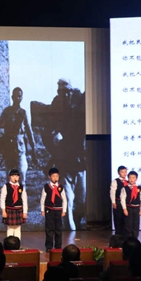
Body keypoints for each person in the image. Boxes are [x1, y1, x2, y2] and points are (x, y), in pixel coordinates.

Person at [31, 78, 86, 230]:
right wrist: (56, 149)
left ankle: (76, 224)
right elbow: (47, 134)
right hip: (64, 163)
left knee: (81, 201)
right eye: (61, 92)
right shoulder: (55, 111)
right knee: (67, 200)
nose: (64, 95)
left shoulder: (78, 107)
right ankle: (70, 231)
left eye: (67, 91)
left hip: (79, 163)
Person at [0, 87, 36, 185]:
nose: (18, 98)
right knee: (10, 176)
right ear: (12, 97)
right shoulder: (7, 112)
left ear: (22, 98)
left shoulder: (23, 113)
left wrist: (33, 148)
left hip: (20, 147)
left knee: (21, 174)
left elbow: (29, 131)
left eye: (20, 96)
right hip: (8, 148)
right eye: (16, 96)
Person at [40, 167, 67, 251]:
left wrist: (64, 210)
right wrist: (42, 210)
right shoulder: (46, 187)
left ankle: (58, 246)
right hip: (49, 210)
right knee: (49, 228)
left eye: (57, 176)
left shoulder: (60, 187)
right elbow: (43, 199)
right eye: (53, 176)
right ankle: (49, 246)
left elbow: (64, 199)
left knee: (58, 229)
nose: (55, 178)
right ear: (49, 177)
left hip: (58, 210)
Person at [0, 168, 28, 240]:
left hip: (19, 209)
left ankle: (17, 243)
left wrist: (25, 212)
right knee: (10, 228)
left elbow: (24, 200)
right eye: (13, 176)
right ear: (10, 177)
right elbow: (2, 199)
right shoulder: (6, 186)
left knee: (18, 228)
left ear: (19, 177)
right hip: (9, 209)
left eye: (16, 176)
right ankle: (9, 243)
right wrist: (3, 211)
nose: (15, 178)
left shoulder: (21, 187)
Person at [121, 171, 141, 238]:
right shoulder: (125, 188)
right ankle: (129, 239)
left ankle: (135, 239)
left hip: (137, 208)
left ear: (136, 179)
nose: (131, 179)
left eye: (133, 178)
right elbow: (123, 199)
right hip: (129, 208)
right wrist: (124, 209)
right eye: (130, 178)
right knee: (128, 224)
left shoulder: (139, 188)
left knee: (136, 224)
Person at [109, 165, 128, 235]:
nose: (124, 173)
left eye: (125, 172)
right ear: (118, 173)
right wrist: (113, 202)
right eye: (122, 172)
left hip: (126, 203)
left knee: (125, 219)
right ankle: (118, 234)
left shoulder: (128, 181)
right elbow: (112, 192)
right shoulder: (115, 181)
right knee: (118, 218)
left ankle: (124, 234)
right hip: (118, 201)